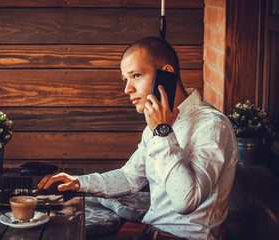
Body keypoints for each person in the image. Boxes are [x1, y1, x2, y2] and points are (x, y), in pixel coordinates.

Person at [38, 37, 238, 240]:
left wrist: (162, 131)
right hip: (147, 233)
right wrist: (78, 182)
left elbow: (186, 201)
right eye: (126, 80)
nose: (128, 89)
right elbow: (129, 178)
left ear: (166, 74)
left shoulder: (212, 125)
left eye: (136, 75)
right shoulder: (158, 124)